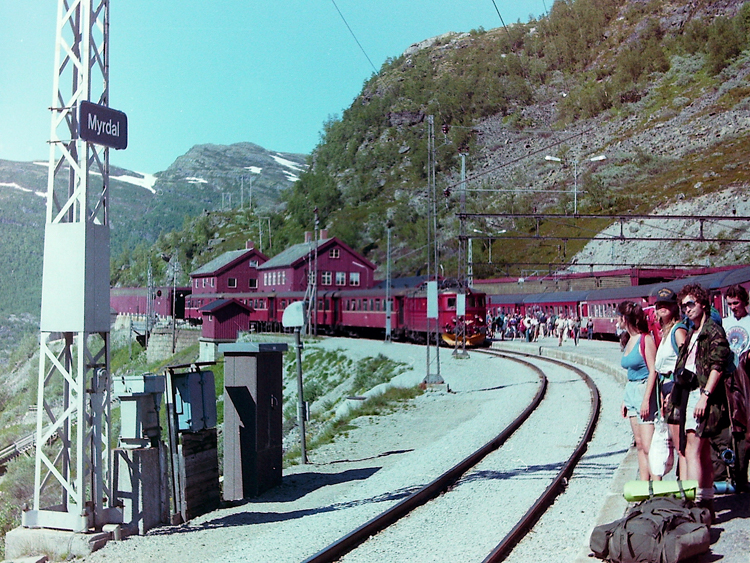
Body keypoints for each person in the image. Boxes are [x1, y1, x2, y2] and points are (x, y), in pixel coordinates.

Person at [668, 284, 733, 521]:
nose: (686, 309)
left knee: (692, 450)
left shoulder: (712, 330)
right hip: (691, 394)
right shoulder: (693, 331)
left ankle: (695, 504)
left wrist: (705, 396)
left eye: (690, 304)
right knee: (702, 452)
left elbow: (718, 364)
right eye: (683, 305)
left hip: (702, 395)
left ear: (703, 303)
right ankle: (707, 505)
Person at [618, 301, 659, 480]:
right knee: (640, 444)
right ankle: (644, 486)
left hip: (643, 390)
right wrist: (625, 401)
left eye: (618, 317)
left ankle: (658, 488)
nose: (616, 321)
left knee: (649, 445)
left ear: (625, 319)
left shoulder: (645, 339)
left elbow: (653, 371)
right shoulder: (628, 340)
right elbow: (630, 373)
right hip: (631, 392)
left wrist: (646, 400)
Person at [653, 288, 688, 470]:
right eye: (660, 305)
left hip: (676, 388)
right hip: (667, 388)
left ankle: (686, 487)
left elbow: (686, 361)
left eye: (667, 304)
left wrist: (674, 392)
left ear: (675, 307)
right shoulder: (665, 332)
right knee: (676, 443)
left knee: (681, 445)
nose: (663, 308)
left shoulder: (677, 331)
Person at [723, 285, 750, 365]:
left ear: (744, 302)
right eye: (729, 304)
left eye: (735, 303)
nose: (732, 307)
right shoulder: (724, 323)